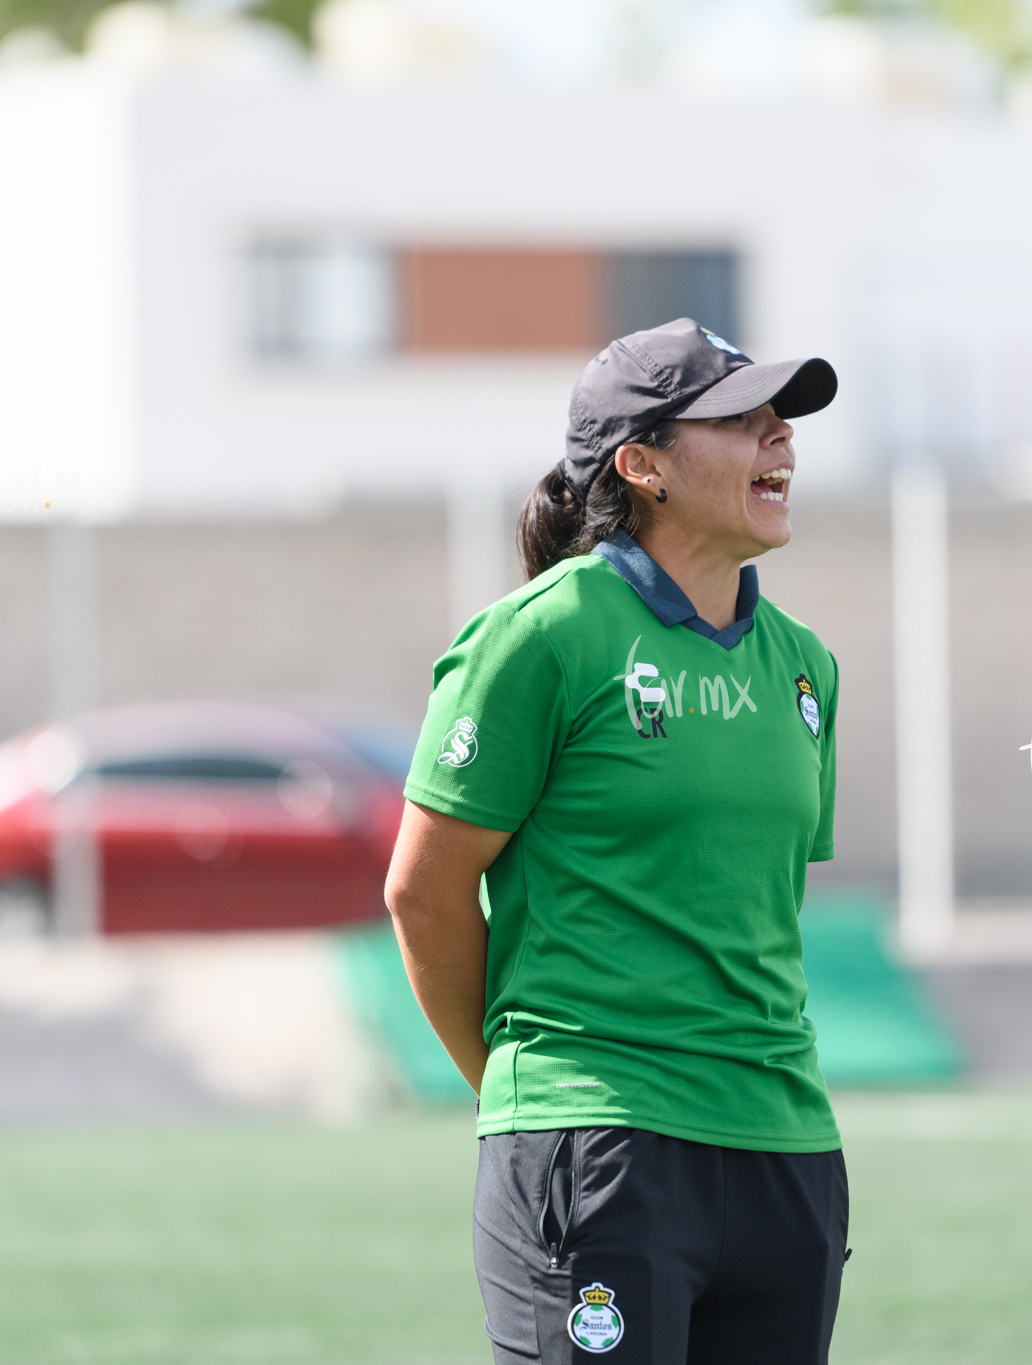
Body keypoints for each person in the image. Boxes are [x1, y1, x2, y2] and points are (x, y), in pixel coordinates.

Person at [384, 317, 847, 1364]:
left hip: (785, 1152)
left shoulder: (806, 667)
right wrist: (525, 1089)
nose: (780, 435)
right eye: (741, 418)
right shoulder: (544, 635)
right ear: (643, 466)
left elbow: (756, 912)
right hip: (596, 1147)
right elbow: (423, 893)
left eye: (783, 416)